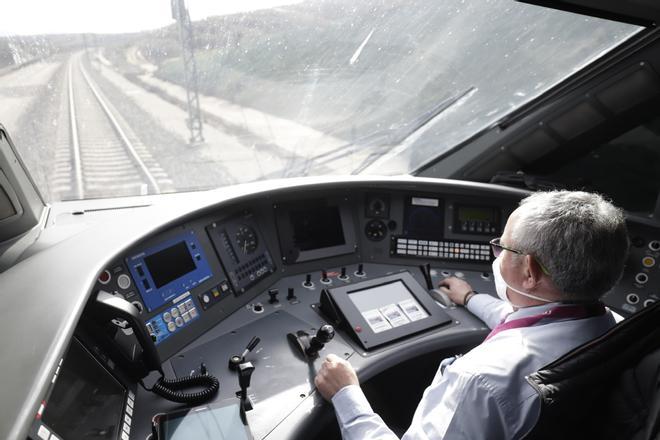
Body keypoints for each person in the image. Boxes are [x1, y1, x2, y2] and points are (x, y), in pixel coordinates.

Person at [314, 191, 629, 439]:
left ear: (530, 271)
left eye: (502, 248)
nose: (497, 254)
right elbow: (530, 325)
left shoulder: (481, 379)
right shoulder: (615, 327)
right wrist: (470, 297)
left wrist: (346, 395)